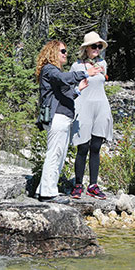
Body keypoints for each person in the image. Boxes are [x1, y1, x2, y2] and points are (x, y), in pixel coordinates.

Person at [35, 40, 102, 203]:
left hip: (61, 116)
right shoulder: (50, 69)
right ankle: (48, 193)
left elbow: (65, 94)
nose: (66, 54)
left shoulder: (53, 71)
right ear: (53, 53)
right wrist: (87, 73)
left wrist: (78, 90)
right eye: (62, 51)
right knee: (55, 153)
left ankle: (42, 189)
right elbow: (64, 78)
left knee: (58, 153)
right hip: (57, 117)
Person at [70, 31, 113, 200]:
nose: (97, 49)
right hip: (84, 105)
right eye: (93, 46)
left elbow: (102, 82)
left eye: (99, 46)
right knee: (82, 147)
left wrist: (99, 71)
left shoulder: (103, 63)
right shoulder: (76, 66)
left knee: (96, 146)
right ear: (86, 48)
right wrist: (89, 73)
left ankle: (93, 185)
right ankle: (78, 184)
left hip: (101, 105)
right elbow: (73, 87)